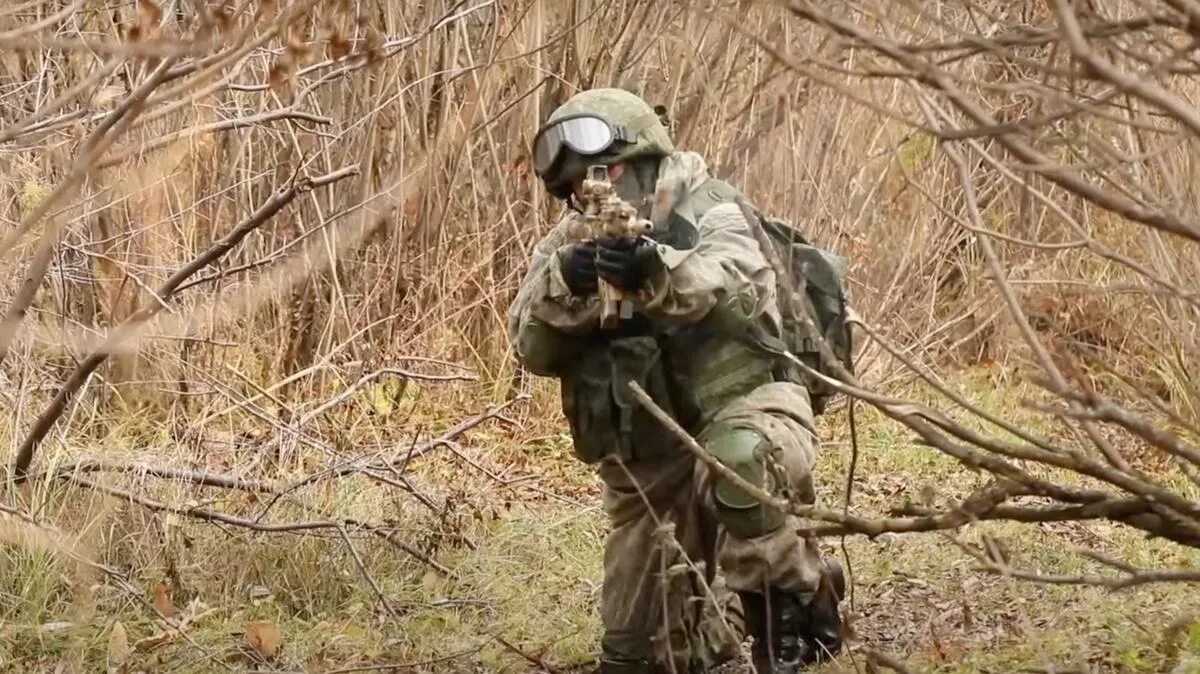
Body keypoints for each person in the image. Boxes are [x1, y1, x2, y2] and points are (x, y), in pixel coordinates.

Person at [506, 87, 845, 674]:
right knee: (637, 656)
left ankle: (794, 599)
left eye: (602, 174)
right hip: (652, 459)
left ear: (640, 159)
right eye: (572, 190)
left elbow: (737, 289)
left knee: (739, 459)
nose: (589, 195)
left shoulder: (712, 206)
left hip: (749, 407)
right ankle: (712, 617)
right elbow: (528, 344)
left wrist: (653, 271)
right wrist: (566, 283)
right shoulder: (567, 242)